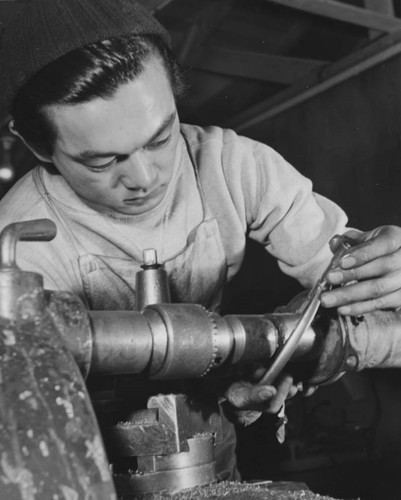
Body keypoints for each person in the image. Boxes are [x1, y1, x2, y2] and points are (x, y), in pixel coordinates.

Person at [1, 0, 401, 481]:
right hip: (89, 465)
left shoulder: (229, 164)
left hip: (211, 443)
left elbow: (345, 279)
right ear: (36, 145)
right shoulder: (21, 247)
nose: (144, 178)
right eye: (102, 162)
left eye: (160, 138)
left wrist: (379, 270)